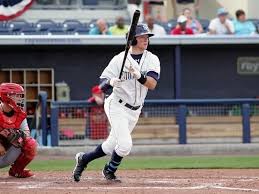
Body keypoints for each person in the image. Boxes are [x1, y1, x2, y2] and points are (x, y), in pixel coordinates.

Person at [73, 24, 160, 182]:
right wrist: (111, 81)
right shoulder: (119, 59)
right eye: (141, 36)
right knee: (125, 145)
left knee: (110, 146)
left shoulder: (152, 59)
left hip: (135, 109)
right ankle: (109, 170)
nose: (146, 39)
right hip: (117, 104)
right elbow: (102, 85)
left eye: (147, 37)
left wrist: (139, 76)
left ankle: (83, 159)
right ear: (132, 40)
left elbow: (152, 84)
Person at [0, 83, 37, 178]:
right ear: (7, 96)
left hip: (5, 154)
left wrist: (19, 135)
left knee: (30, 143)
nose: (20, 98)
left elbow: (26, 134)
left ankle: (17, 170)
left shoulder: (20, 114)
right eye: (17, 95)